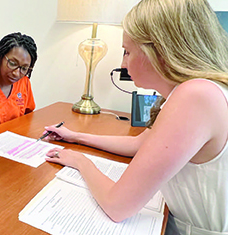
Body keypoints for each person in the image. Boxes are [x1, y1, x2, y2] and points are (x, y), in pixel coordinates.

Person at [44, 0, 228, 234]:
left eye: (127, 51)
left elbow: (116, 205)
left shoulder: (196, 96)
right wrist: (74, 136)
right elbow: (139, 144)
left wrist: (79, 161)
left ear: (161, 51)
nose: (122, 63)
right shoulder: (199, 91)